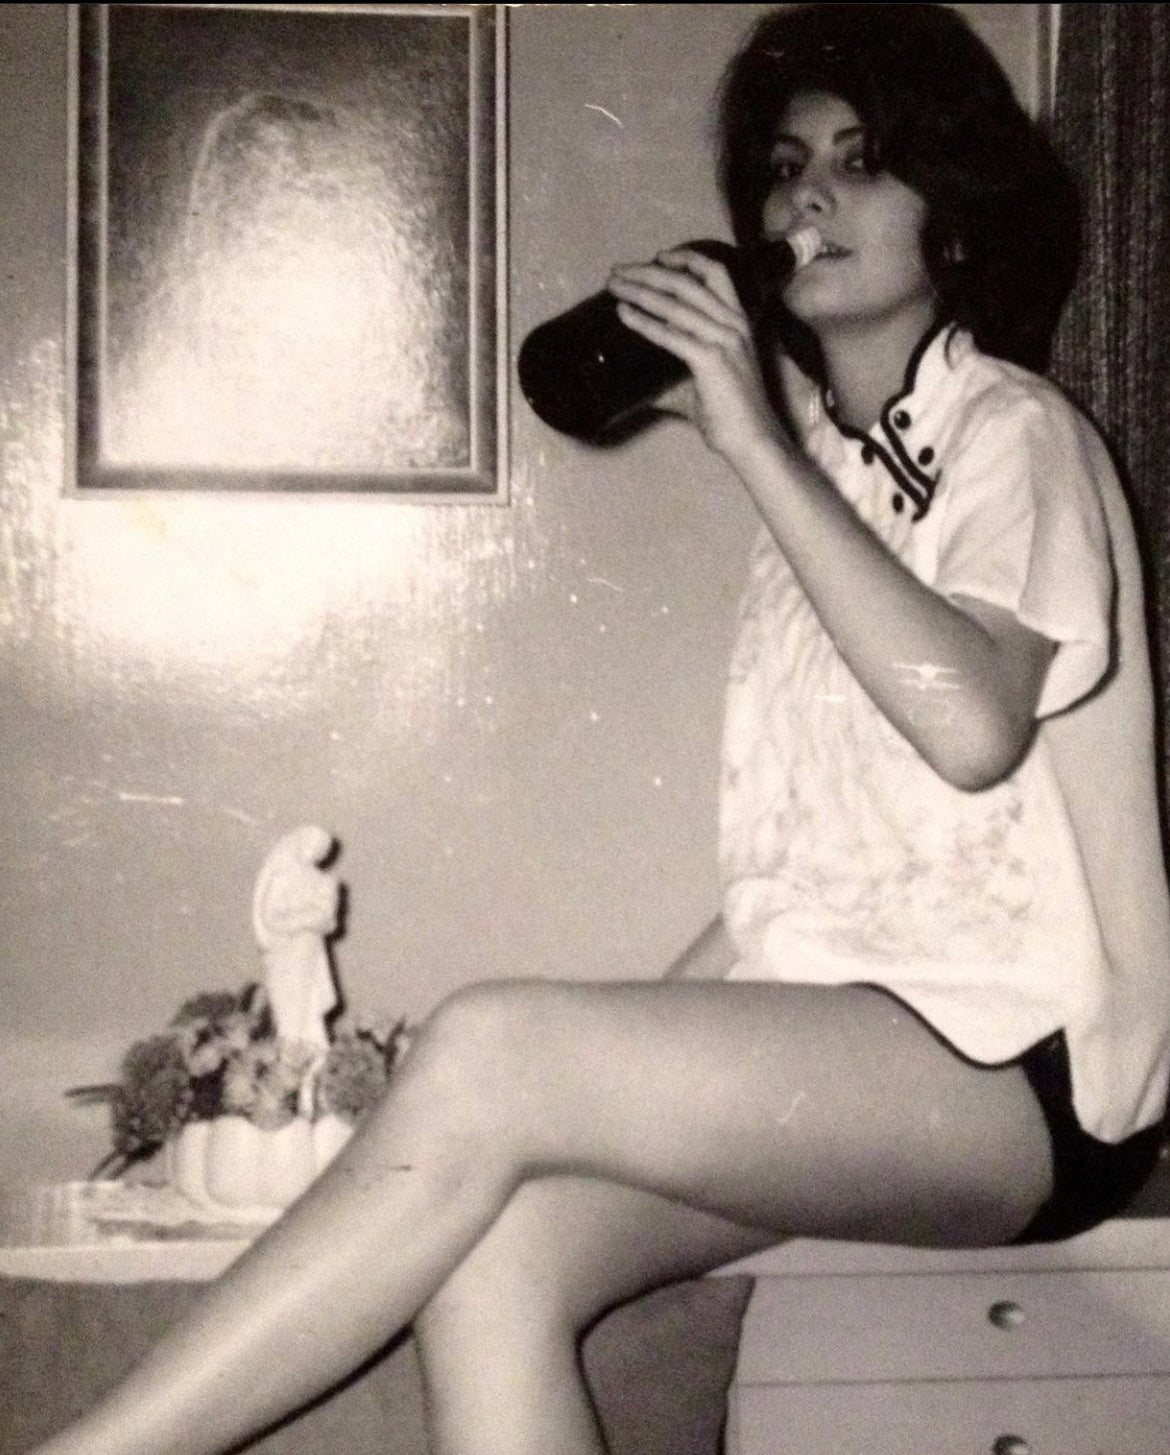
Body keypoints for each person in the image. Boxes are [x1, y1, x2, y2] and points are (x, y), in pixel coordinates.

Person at [27, 6, 1170, 1454]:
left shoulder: (1019, 435)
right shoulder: (821, 493)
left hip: (1036, 1075)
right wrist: (630, 1054)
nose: (801, 196)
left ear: (952, 220)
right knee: (499, 1256)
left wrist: (749, 439)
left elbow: (972, 730)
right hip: (891, 1050)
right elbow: (795, 898)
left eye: (860, 160)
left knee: (492, 1042)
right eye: (782, 165)